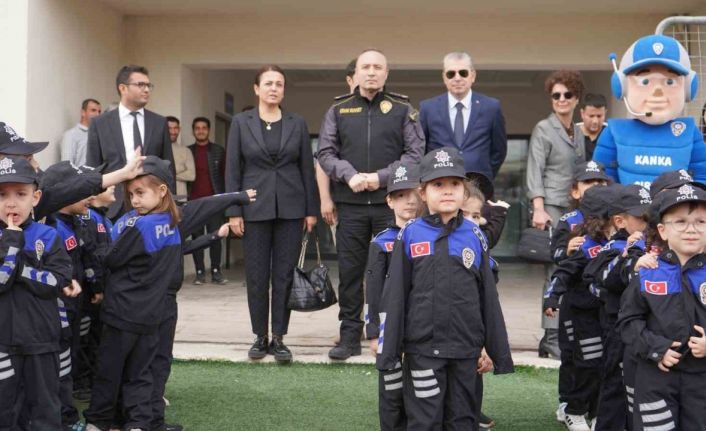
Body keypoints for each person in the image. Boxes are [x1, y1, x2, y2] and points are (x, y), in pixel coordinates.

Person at [376, 147, 513, 429]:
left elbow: (488, 295)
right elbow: (396, 295)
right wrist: (389, 349)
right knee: (425, 421)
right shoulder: (411, 234)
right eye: (438, 185)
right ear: (423, 193)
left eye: (454, 184)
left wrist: (493, 348)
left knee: (463, 420)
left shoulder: (474, 235)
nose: (447, 191)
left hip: (466, 352)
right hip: (423, 351)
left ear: (464, 192)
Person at [317, 48, 425, 360]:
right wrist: (348, 175)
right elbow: (325, 152)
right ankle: (349, 337)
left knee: (393, 271)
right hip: (349, 205)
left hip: (387, 204)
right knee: (350, 272)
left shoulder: (403, 109)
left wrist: (381, 177)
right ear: (357, 73)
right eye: (366, 66)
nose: (372, 72)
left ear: (386, 74)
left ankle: (392, 333)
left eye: (378, 67)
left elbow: (414, 154)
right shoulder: (338, 110)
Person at [226, 65, 319, 363]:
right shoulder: (241, 122)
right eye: (268, 83)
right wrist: (233, 210)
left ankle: (279, 337)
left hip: (291, 208)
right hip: (253, 209)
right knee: (256, 275)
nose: (274, 88)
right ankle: (259, 336)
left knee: (284, 276)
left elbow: (307, 168)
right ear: (256, 88)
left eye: (279, 84)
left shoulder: (297, 123)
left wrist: (310, 210)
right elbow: (233, 169)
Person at [618, 185, 706, 430]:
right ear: (662, 230)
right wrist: (656, 348)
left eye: (701, 221)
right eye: (680, 221)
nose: (691, 229)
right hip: (655, 378)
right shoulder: (649, 272)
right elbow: (628, 321)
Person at [0, 157, 73, 430]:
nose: (11, 202)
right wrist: (11, 242)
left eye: (20, 194)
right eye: (2, 194)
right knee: (5, 410)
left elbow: (58, 279)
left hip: (42, 341)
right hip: (3, 344)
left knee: (45, 409)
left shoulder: (48, 235)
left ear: (36, 197)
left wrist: (18, 268)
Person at [544, 184, 618, 431]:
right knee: (584, 362)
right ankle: (573, 409)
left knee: (605, 363)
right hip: (580, 313)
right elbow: (563, 271)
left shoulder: (623, 243)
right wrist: (552, 299)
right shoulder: (585, 244)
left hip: (605, 315)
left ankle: (598, 412)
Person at [526, 70, 586, 363]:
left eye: (568, 95)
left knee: (574, 268)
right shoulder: (543, 128)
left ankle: (564, 333)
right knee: (554, 271)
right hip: (551, 207)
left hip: (576, 209)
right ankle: (550, 338)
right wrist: (538, 207)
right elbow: (534, 169)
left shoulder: (579, 130)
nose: (562, 100)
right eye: (556, 95)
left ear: (576, 99)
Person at [593, 34, 706, 187]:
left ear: (688, 88)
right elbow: (602, 180)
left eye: (670, 81)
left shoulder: (689, 132)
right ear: (621, 86)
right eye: (645, 81)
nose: (657, 92)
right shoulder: (615, 132)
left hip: (675, 210)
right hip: (627, 209)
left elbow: (702, 178)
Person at [583, 185, 649, 431]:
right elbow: (602, 280)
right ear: (620, 221)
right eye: (641, 218)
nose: (647, 223)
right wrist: (629, 254)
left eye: (650, 217)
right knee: (615, 384)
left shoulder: (657, 243)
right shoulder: (614, 248)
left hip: (646, 328)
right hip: (618, 327)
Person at [364, 161, 421, 431]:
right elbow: (372, 291)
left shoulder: (428, 238)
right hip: (390, 328)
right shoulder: (382, 242)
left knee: (421, 392)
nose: (408, 201)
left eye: (413, 194)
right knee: (391, 388)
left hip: (421, 327)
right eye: (400, 195)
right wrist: (374, 332)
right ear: (389, 201)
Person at [87, 64, 175, 220]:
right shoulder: (100, 124)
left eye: (148, 85)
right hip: (113, 206)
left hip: (153, 207)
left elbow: (168, 166)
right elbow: (93, 167)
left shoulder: (159, 123)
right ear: (123, 88)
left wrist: (170, 205)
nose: (147, 89)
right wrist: (94, 202)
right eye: (141, 85)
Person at [420, 52, 507, 180]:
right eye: (451, 74)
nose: (457, 78)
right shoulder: (428, 108)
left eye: (463, 73)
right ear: (444, 78)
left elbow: (499, 151)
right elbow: (421, 149)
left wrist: (485, 175)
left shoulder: (491, 107)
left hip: (478, 185)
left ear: (473, 76)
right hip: (440, 183)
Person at [317, 59, 357, 227]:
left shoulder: (392, 112)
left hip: (383, 201)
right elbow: (323, 158)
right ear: (350, 80)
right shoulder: (337, 112)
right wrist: (325, 199)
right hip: (345, 200)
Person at [189, 117, 228, 285]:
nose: (200, 131)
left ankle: (215, 271)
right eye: (197, 128)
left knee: (216, 237)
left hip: (214, 202)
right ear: (193, 131)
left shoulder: (219, 150)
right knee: (197, 239)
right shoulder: (188, 151)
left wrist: (225, 200)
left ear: (208, 130)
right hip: (194, 203)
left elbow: (225, 177)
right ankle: (199, 272)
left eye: (204, 128)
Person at [61, 98, 102, 166]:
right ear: (83, 112)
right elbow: (66, 165)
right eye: (93, 110)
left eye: (99, 111)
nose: (97, 114)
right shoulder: (71, 135)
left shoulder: (99, 135)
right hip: (81, 176)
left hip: (98, 175)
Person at [166, 116, 195, 198]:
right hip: (160, 197)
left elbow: (191, 175)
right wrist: (180, 172)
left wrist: (170, 175)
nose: (173, 131)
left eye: (176, 128)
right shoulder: (156, 149)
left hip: (180, 198)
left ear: (179, 129)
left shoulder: (186, 151)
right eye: (169, 128)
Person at [577, 94, 607, 161]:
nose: (595, 121)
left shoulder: (610, 135)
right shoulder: (572, 135)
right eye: (591, 116)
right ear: (582, 113)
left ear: (605, 113)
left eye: (599, 116)